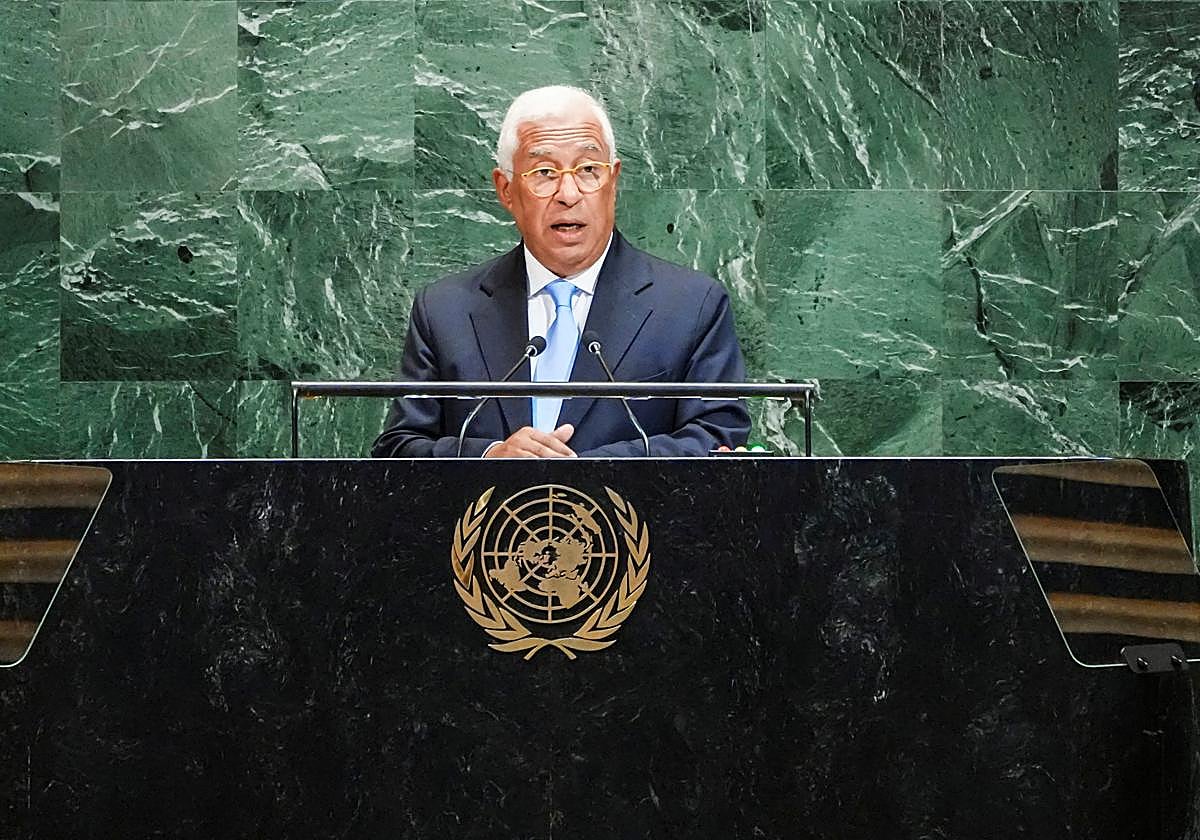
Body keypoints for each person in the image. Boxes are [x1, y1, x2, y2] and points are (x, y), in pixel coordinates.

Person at [372, 85, 750, 458]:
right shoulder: (445, 311)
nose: (568, 193)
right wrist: (490, 457)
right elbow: (401, 447)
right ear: (506, 190)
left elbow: (717, 438)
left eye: (588, 169)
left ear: (613, 181)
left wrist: (584, 475)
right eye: (544, 172)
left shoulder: (691, 306)